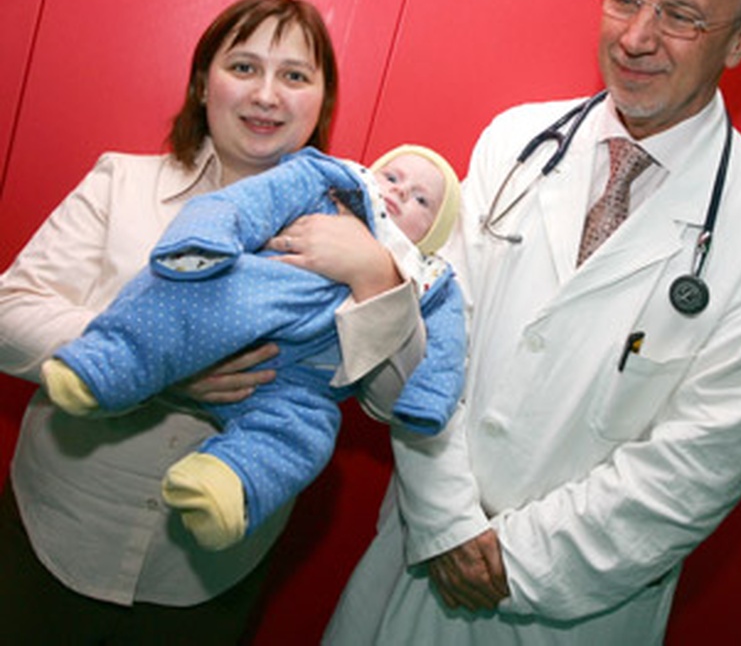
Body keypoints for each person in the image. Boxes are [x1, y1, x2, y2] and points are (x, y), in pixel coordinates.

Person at [315, 0, 741, 645]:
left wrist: (509, 562)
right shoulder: (516, 143)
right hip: (415, 560)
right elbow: (432, 348)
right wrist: (447, 523)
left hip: (567, 613)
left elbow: (701, 461)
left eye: (680, 15)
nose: (636, 37)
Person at [0, 0, 417, 643]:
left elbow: (398, 402)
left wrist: (373, 275)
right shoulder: (122, 183)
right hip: (57, 534)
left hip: (206, 574)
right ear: (202, 83)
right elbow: (10, 313)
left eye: (295, 76)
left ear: (322, 103)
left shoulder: (368, 234)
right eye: (244, 67)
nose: (266, 95)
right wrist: (157, 364)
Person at [41, 143, 464, 552]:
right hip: (234, 311)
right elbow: (236, 208)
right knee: (173, 303)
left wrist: (427, 399)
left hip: (300, 382)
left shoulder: (428, 279)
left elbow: (445, 355)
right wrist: (200, 244)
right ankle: (104, 365)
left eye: (422, 200)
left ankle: (226, 484)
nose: (400, 193)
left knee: (308, 435)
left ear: (436, 231)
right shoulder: (325, 187)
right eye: (392, 177)